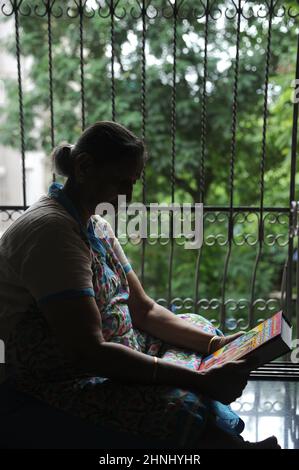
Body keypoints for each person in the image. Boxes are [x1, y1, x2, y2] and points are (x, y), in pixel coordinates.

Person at [0, 121, 280, 449]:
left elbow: (143, 310)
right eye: (121, 182)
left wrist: (219, 344)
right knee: (179, 406)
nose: (128, 196)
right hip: (67, 375)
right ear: (84, 167)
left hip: (120, 346)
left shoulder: (95, 225)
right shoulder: (52, 232)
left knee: (199, 329)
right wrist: (198, 378)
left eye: (132, 183)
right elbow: (89, 352)